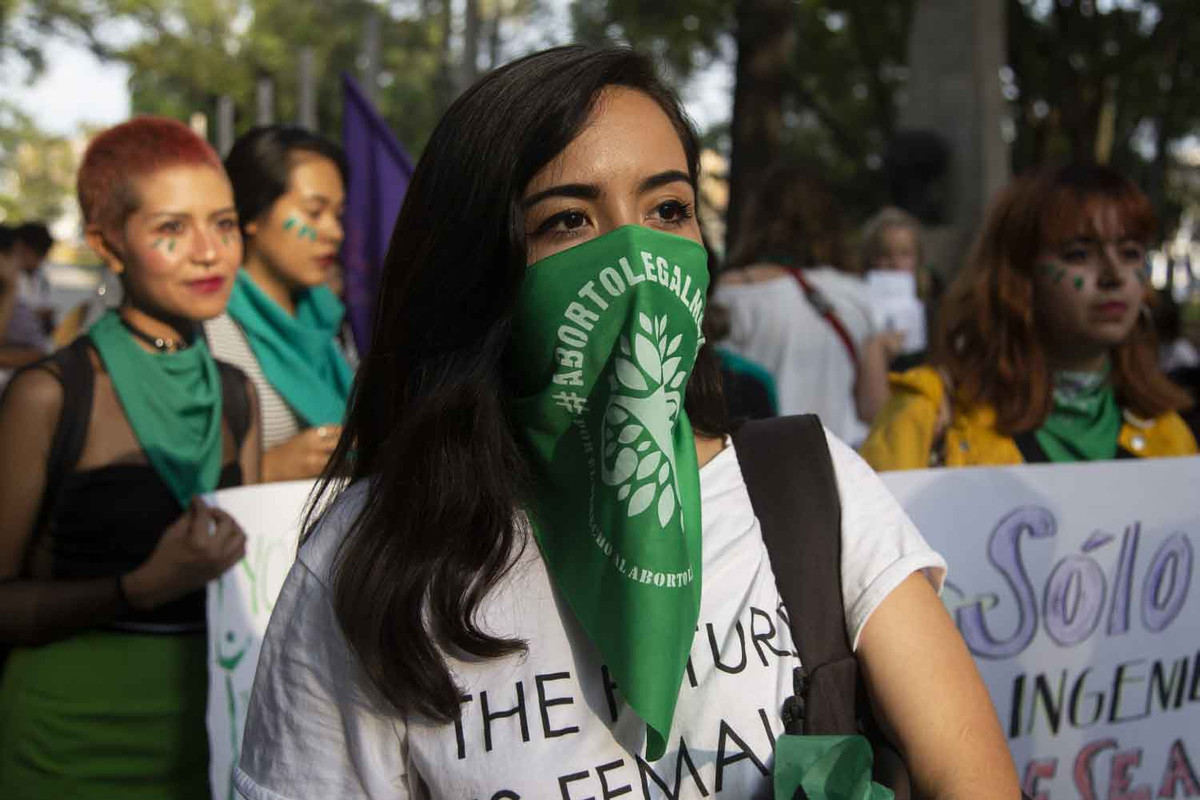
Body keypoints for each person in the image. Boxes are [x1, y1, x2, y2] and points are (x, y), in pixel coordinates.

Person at [235, 46, 1018, 800]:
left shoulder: (811, 491)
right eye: (568, 222)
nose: (638, 259)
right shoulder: (369, 563)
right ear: (480, 269)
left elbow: (969, 776)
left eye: (668, 209)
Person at [0, 116, 259, 797]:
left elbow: (250, 587)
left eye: (225, 224)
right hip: (68, 747)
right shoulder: (49, 395)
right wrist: (138, 588)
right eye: (172, 230)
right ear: (107, 247)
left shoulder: (236, 397)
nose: (209, 252)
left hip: (214, 735)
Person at [862, 163, 1197, 470]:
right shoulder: (929, 416)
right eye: (1078, 254)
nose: (1115, 275)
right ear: (1018, 276)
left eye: (1130, 253)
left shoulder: (1171, 437)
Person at [713, 165, 904, 446]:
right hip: (833, 470)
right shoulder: (857, 295)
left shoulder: (736, 293)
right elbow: (874, 409)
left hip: (756, 470)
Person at [204, 125, 354, 483]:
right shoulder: (209, 328)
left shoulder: (329, 324)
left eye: (338, 215)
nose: (335, 232)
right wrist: (266, 469)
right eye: (314, 212)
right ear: (253, 214)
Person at [859, 206, 942, 371]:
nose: (895, 263)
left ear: (918, 259)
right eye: (885, 255)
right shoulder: (857, 312)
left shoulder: (934, 309)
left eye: (905, 254)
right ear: (870, 260)